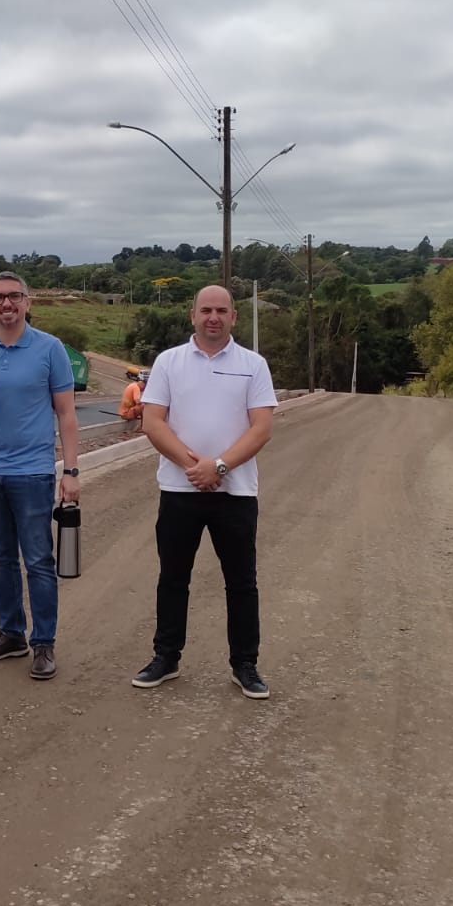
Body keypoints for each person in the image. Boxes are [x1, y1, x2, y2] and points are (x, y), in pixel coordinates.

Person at [131, 285, 276, 700]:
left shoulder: (254, 365)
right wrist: (194, 467)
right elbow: (153, 422)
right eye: (205, 310)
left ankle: (245, 664)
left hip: (236, 493)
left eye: (221, 311)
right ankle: (166, 656)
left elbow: (261, 427)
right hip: (179, 490)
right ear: (192, 315)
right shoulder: (168, 363)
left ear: (233, 317)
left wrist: (220, 466)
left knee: (241, 582)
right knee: (173, 578)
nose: (213, 317)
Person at [0, 272, 80, 681]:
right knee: (0, 558)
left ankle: (44, 643)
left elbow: (67, 413)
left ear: (27, 301)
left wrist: (71, 470)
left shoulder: (49, 348)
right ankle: (11, 634)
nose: (6, 304)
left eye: (14, 297)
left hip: (33, 473)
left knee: (39, 561)